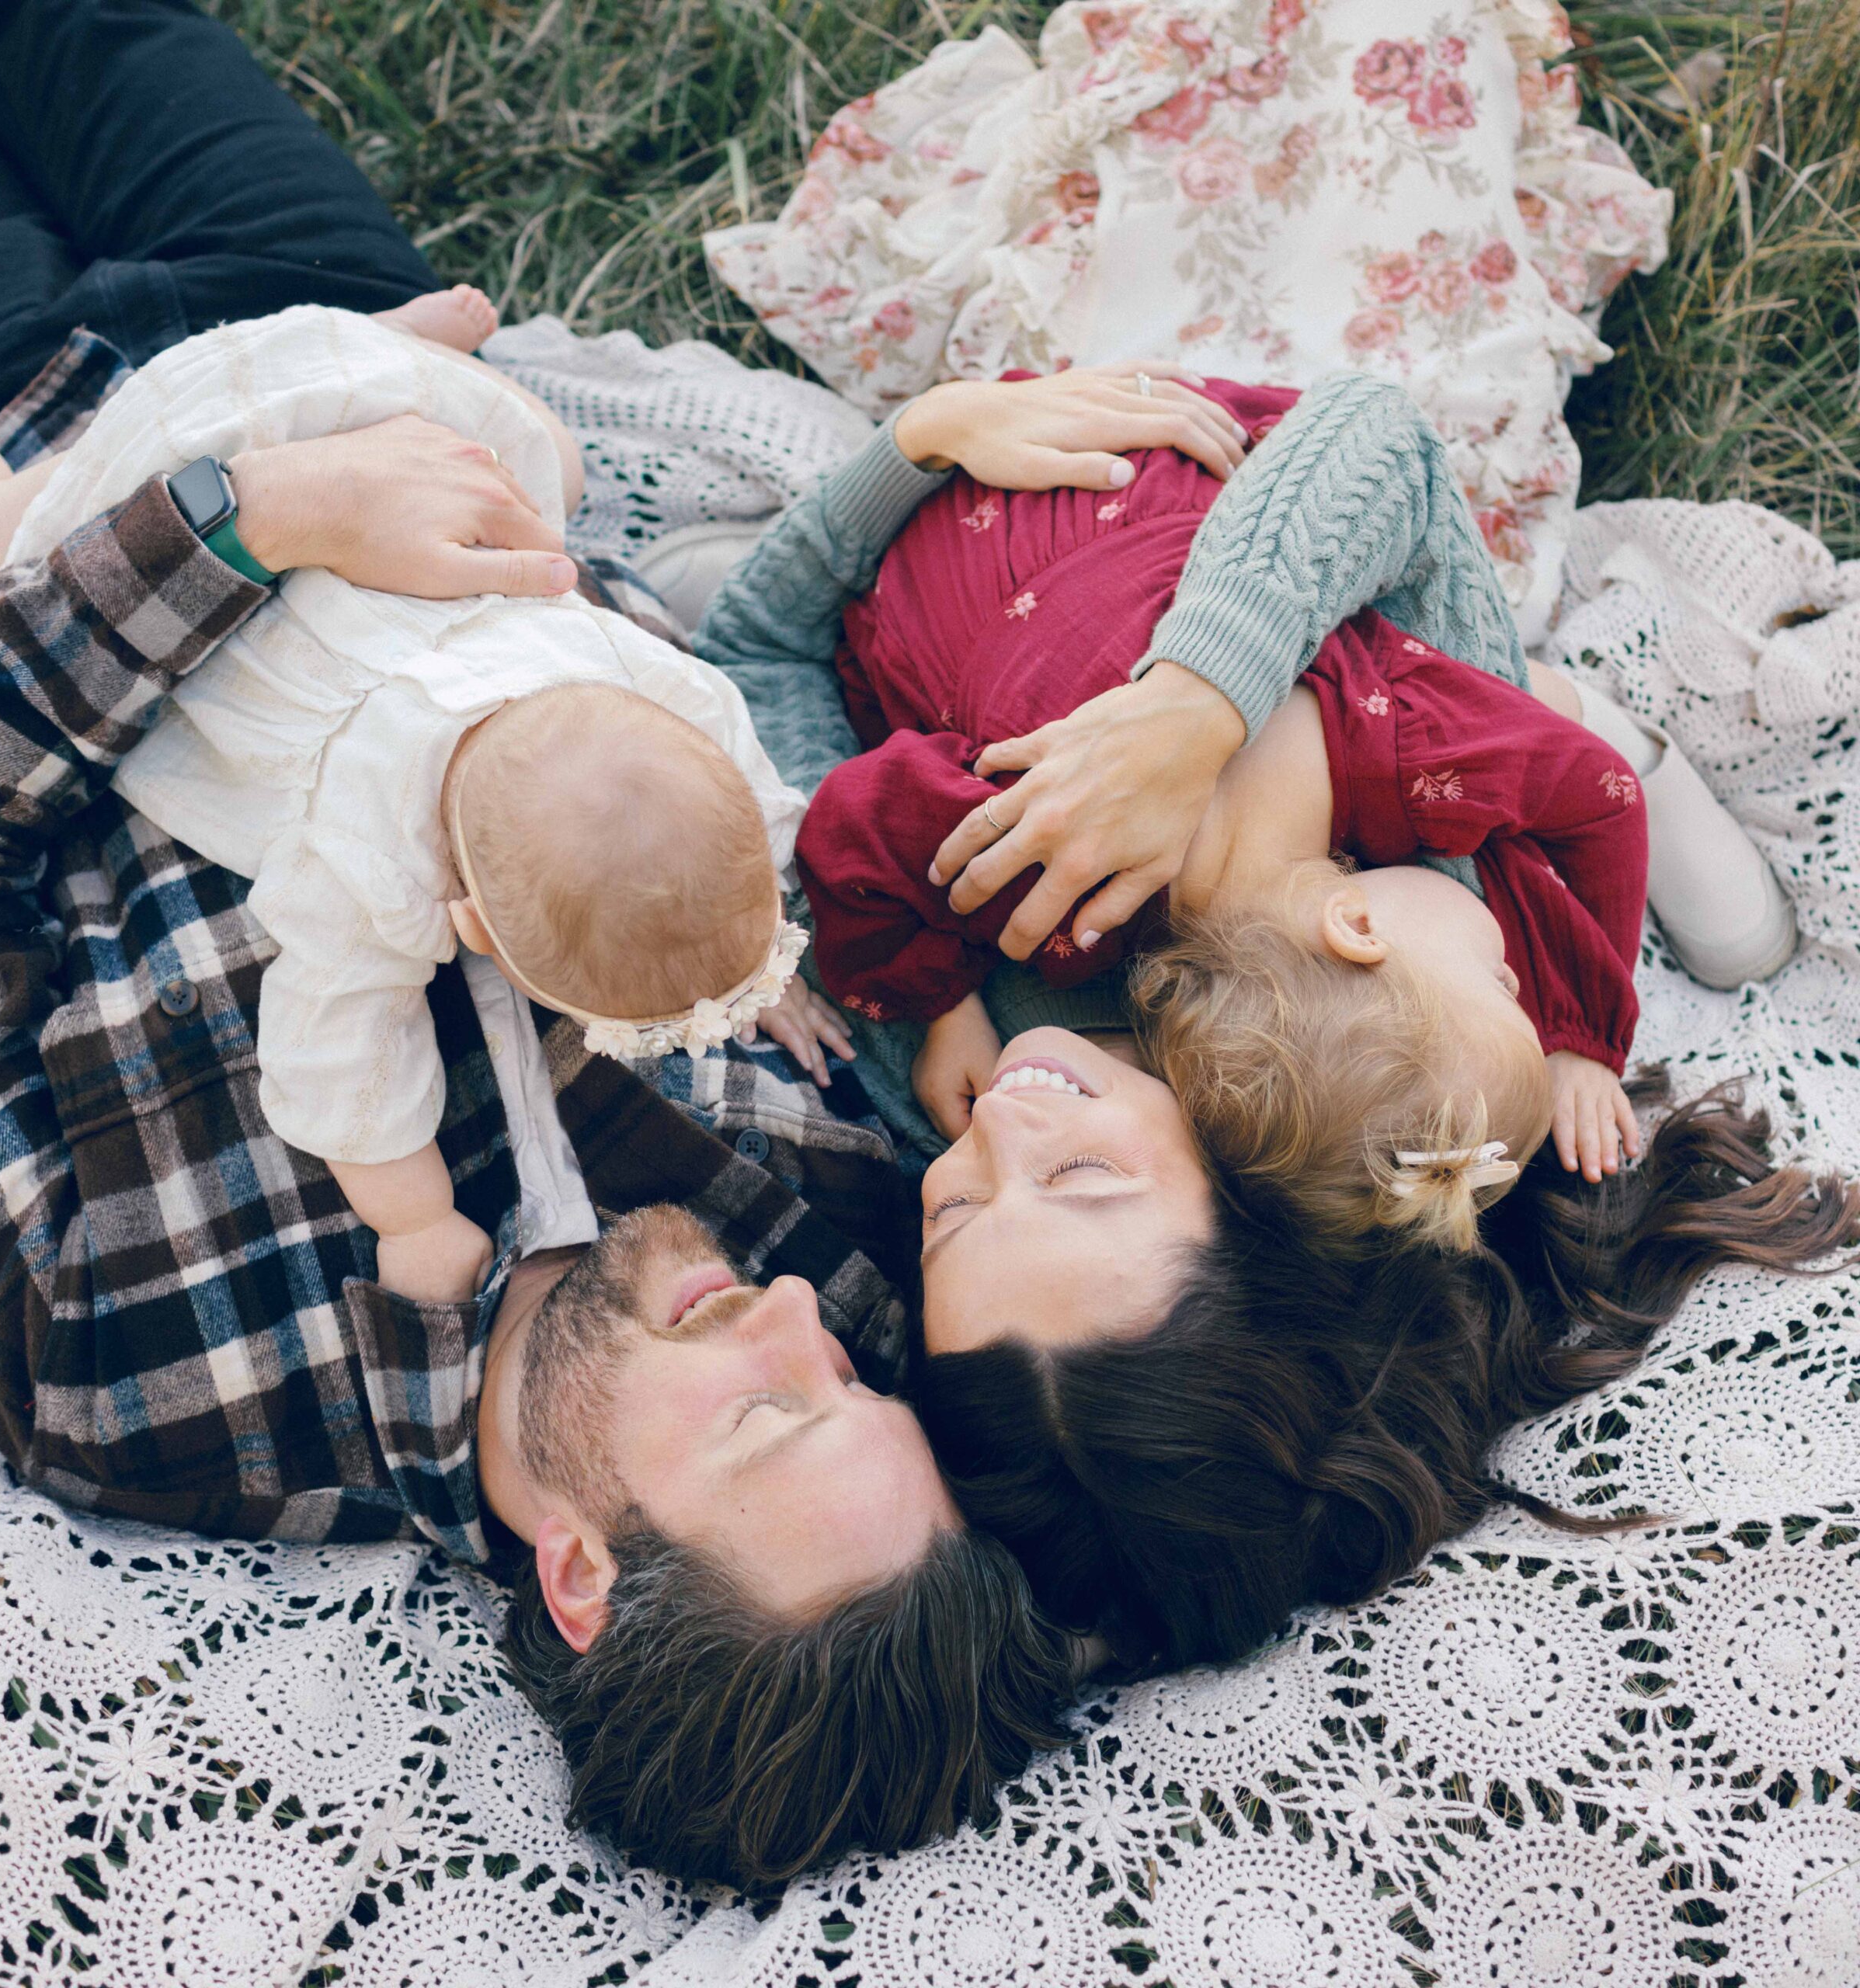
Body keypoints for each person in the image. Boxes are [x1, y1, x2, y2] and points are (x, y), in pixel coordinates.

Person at [0, 0, 1253, 1891]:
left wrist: (239, 524)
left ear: (584, 1572)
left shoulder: (119, 1370)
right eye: (853, 1383)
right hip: (350, 339)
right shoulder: (834, 1215)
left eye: (774, 1413)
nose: (804, 1323)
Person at [690, 371, 1858, 1680]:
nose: (1009, 1125)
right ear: (1258, 1204)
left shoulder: (949, 1074)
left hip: (1012, 572)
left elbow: (754, 660)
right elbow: (1388, 446)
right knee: (1541, 757)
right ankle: (1610, 726)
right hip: (1470, 740)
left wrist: (912, 449)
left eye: (952, 1213)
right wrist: (1203, 704)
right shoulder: (1413, 929)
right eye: (1079, 1179)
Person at [0, 301, 845, 1303]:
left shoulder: (629, 674)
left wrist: (758, 959)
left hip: (353, 393)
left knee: (550, 461)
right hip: (164, 492)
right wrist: (416, 1220)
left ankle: (415, 336)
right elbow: (340, 1062)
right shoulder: (370, 851)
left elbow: (738, 789)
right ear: (465, 921)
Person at [792, 374, 1660, 1240]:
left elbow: (1600, 795)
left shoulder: (1408, 748)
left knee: (1529, 733)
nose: (1519, 971)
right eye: (1519, 989)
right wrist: (944, 1005)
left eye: (1501, 984)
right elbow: (854, 825)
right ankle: (1566, 698)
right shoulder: (1071, 917)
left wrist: (1579, 1025)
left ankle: (1572, 701)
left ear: (1355, 924)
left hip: (1051, 515)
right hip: (1013, 537)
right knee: (1528, 723)